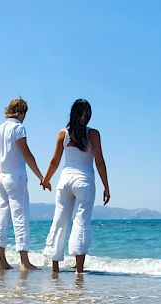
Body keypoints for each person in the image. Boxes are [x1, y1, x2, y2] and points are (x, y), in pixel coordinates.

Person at [41, 99, 110, 273]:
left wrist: (46, 179)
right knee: (81, 222)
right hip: (84, 181)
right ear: (88, 115)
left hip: (64, 181)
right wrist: (106, 186)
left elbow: (54, 160)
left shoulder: (63, 134)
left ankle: (55, 267)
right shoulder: (93, 134)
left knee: (59, 220)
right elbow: (99, 162)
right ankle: (79, 270)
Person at [0, 97, 46, 270]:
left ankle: (2, 261)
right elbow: (27, 154)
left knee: (2, 218)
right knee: (20, 218)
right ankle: (24, 261)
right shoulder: (18, 128)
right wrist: (41, 176)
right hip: (16, 179)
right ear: (21, 112)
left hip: (2, 178)